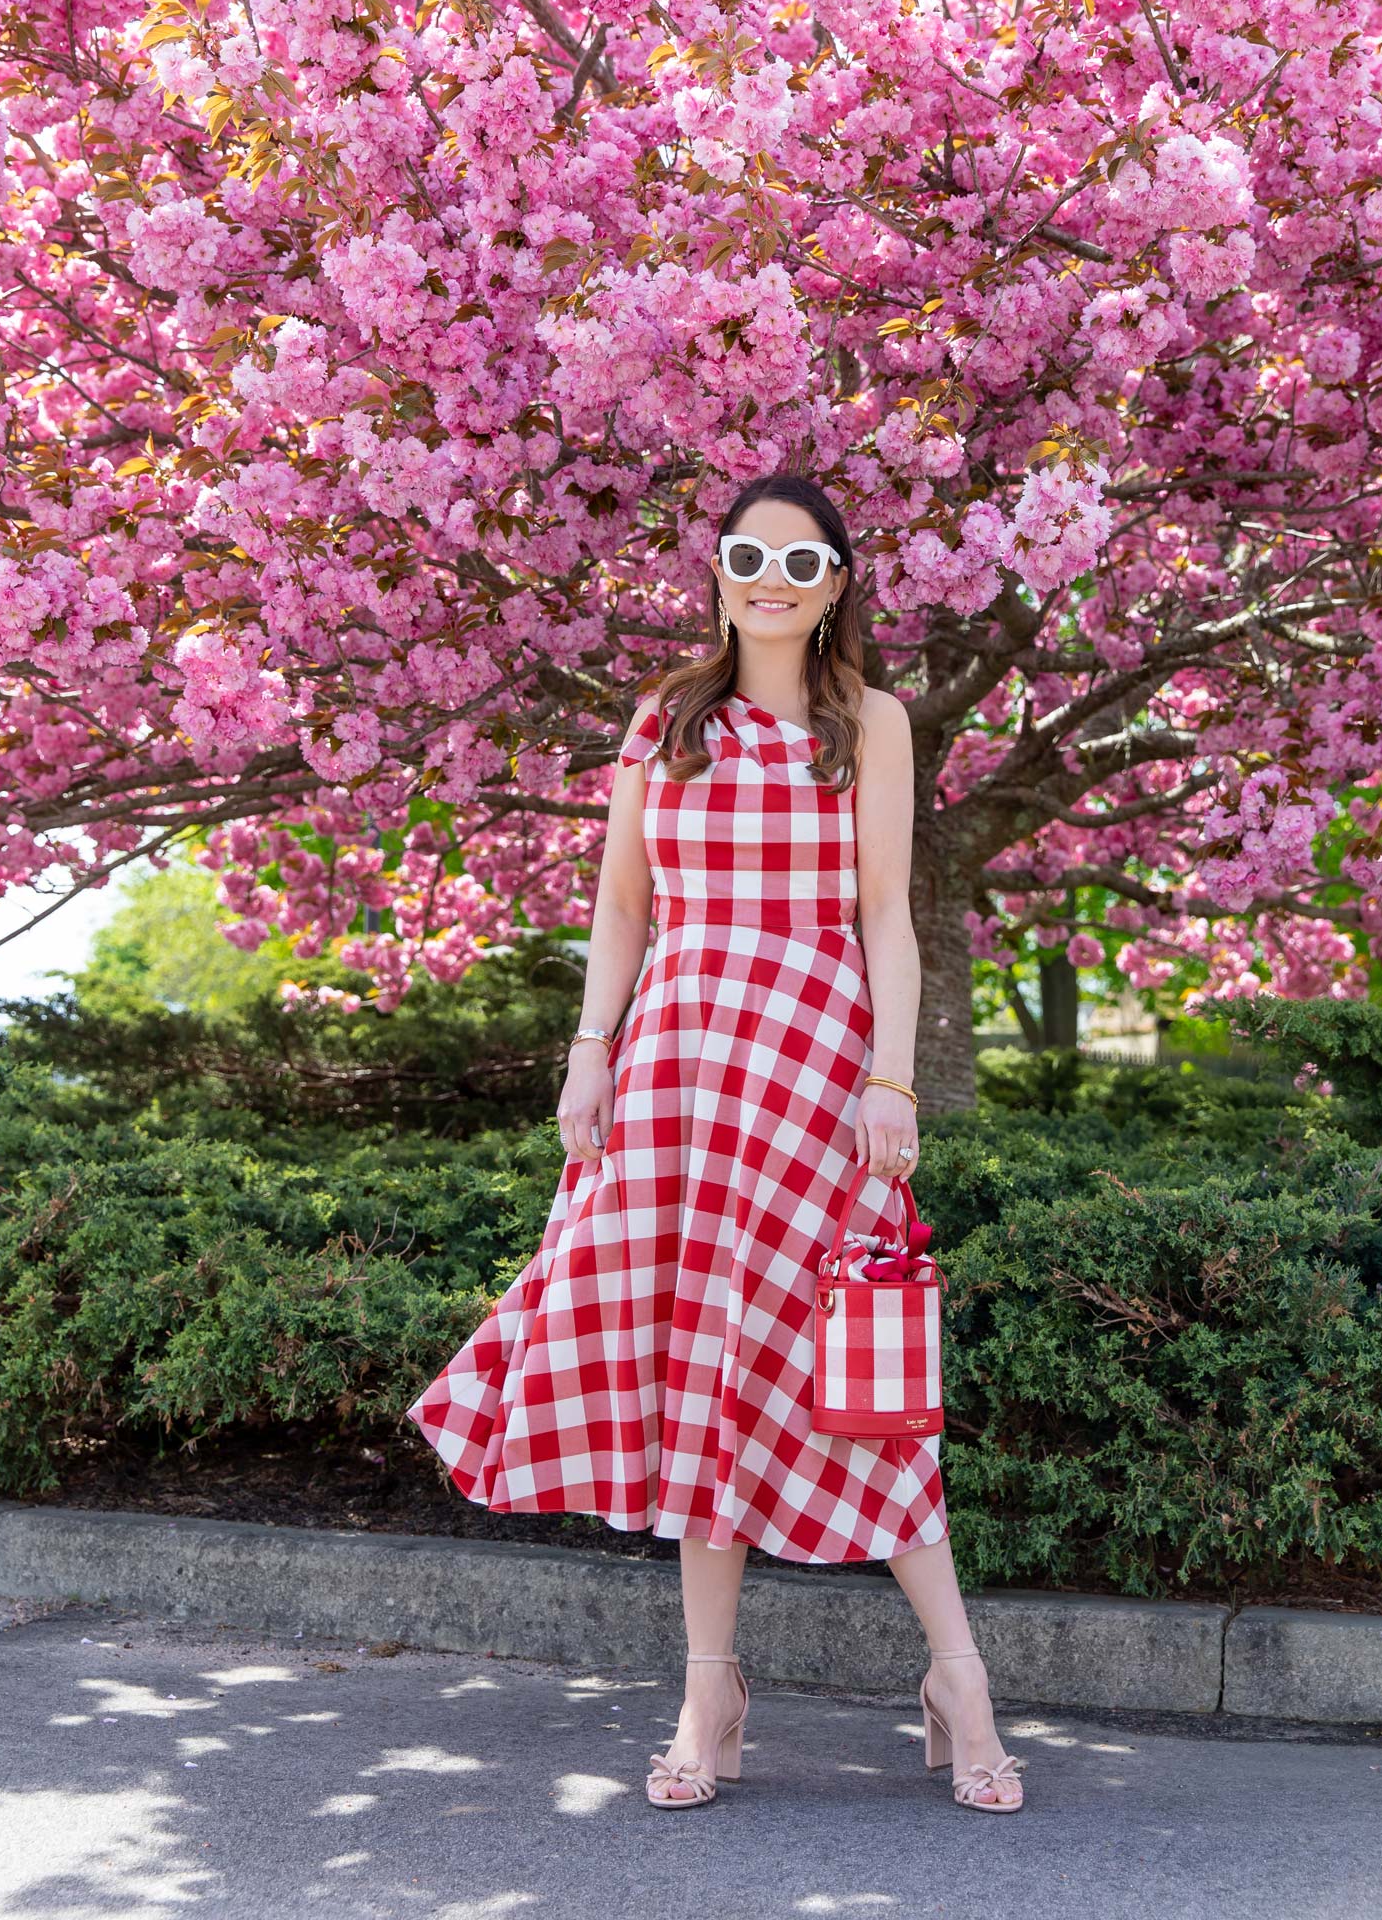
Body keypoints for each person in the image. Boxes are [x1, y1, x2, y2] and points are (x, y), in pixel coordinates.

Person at [406, 472, 1024, 1814]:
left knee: (848, 1370)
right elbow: (622, 907)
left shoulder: (872, 724)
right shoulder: (665, 720)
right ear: (722, 569)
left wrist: (893, 1084)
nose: (772, 580)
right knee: (700, 1366)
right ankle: (708, 1692)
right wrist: (588, 1056)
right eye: (749, 555)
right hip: (677, 1065)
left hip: (811, 1062)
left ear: (837, 583)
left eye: (801, 563)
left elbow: (887, 923)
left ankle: (959, 1679)